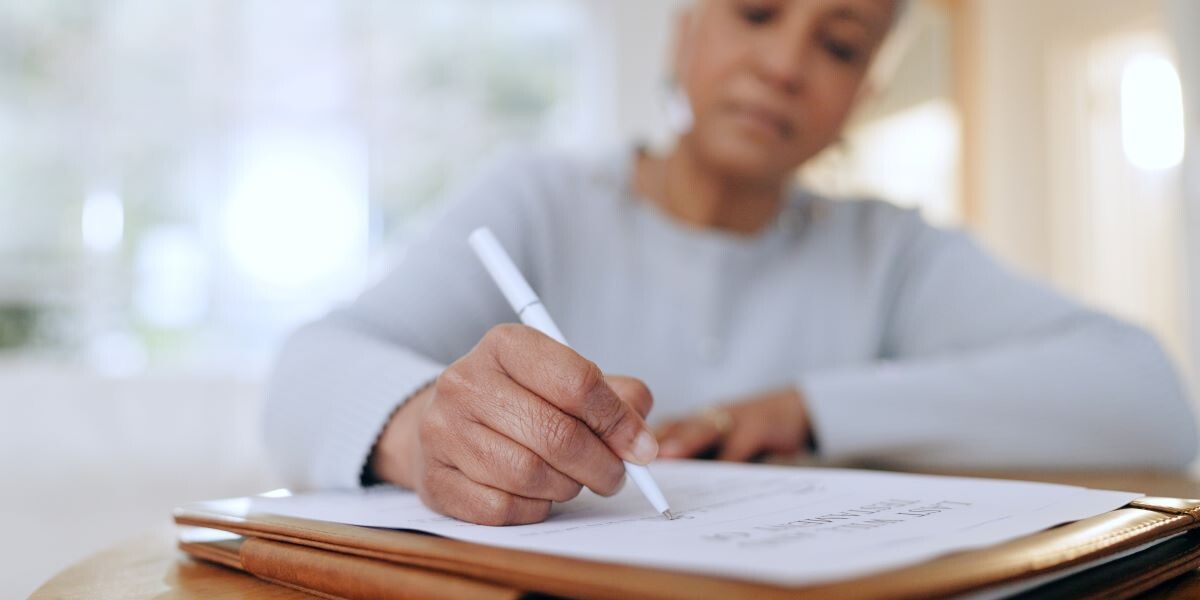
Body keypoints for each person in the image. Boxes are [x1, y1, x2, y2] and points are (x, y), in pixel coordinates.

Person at [264, 0, 1197, 526]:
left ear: (862, 93)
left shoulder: (889, 250)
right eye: (757, 11)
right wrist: (425, 426)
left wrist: (809, 410)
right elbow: (303, 373)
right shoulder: (539, 201)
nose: (786, 66)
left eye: (838, 45)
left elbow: (1146, 394)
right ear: (685, 29)